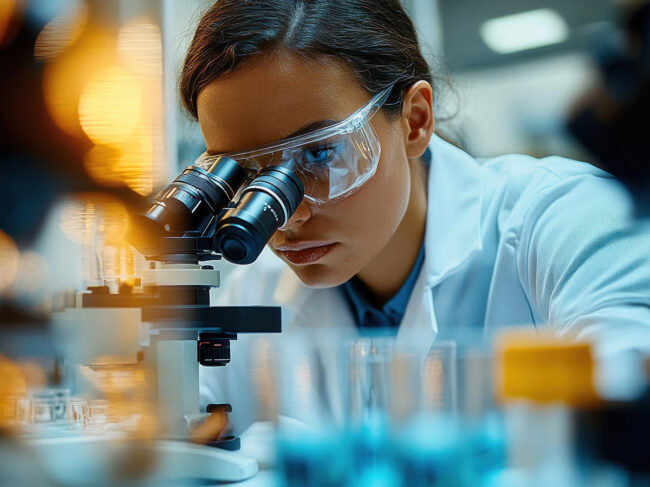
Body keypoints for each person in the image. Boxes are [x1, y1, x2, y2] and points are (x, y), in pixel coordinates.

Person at [179, 0, 650, 433]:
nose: (286, 219)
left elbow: (627, 369)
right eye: (245, 176)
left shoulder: (562, 217)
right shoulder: (253, 287)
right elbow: (177, 431)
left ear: (416, 120)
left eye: (320, 155)